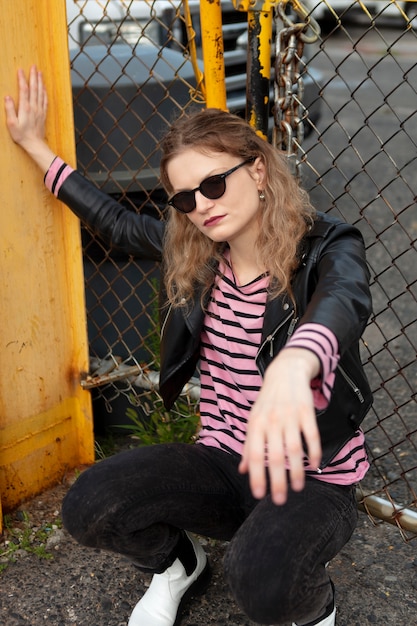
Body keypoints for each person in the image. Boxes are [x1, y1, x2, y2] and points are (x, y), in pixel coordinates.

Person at [5, 66, 373, 626]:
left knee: (263, 585)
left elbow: (346, 296)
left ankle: (315, 606)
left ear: (258, 171)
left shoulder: (325, 247)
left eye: (214, 184)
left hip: (312, 480)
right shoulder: (200, 255)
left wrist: (298, 361)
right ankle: (178, 565)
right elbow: (115, 222)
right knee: (89, 506)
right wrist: (33, 143)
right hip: (223, 464)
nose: (201, 204)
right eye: (185, 197)